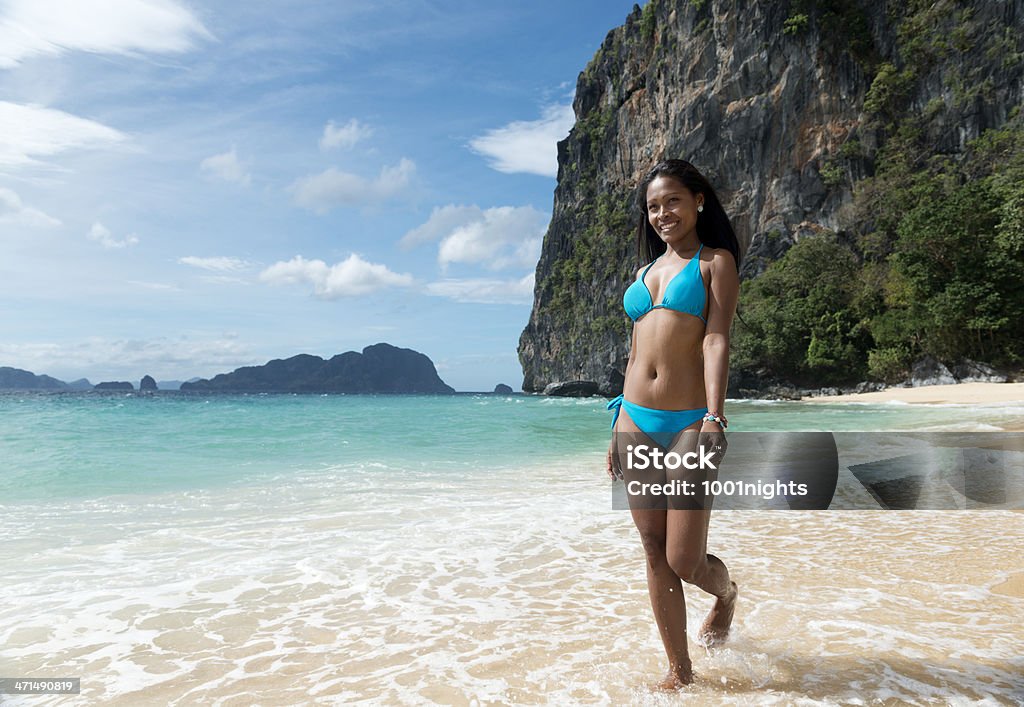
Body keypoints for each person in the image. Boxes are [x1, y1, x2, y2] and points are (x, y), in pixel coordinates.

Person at [605, 158, 741, 690]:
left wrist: (714, 414)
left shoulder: (714, 263)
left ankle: (726, 596)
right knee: (651, 548)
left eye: (672, 202)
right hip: (633, 418)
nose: (662, 214)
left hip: (689, 420)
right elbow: (635, 350)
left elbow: (715, 340)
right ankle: (679, 671)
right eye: (653, 207)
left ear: (698, 200)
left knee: (685, 559)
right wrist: (616, 419)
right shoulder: (642, 274)